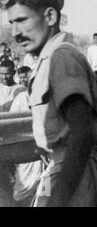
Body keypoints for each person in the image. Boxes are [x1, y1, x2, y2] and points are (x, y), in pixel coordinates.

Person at [0, 0, 97, 206]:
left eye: (22, 20)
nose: (15, 32)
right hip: (56, 169)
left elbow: (82, 132)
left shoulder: (61, 57)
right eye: (12, 23)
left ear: (50, 17)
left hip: (77, 175)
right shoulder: (47, 61)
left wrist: (57, 198)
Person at [9, 66, 44, 207]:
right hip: (26, 153)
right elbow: (12, 125)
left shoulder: (46, 99)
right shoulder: (20, 99)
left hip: (44, 155)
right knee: (20, 192)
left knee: (45, 191)